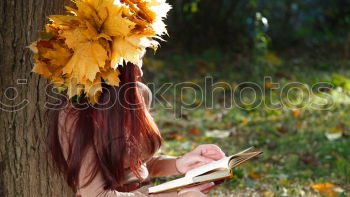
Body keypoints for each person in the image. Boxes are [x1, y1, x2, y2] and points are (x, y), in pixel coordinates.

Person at [30, 0, 226, 196]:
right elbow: (97, 195)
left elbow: (137, 164)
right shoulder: (76, 114)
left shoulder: (139, 94)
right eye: (136, 60)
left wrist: (181, 163)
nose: (140, 70)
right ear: (112, 65)